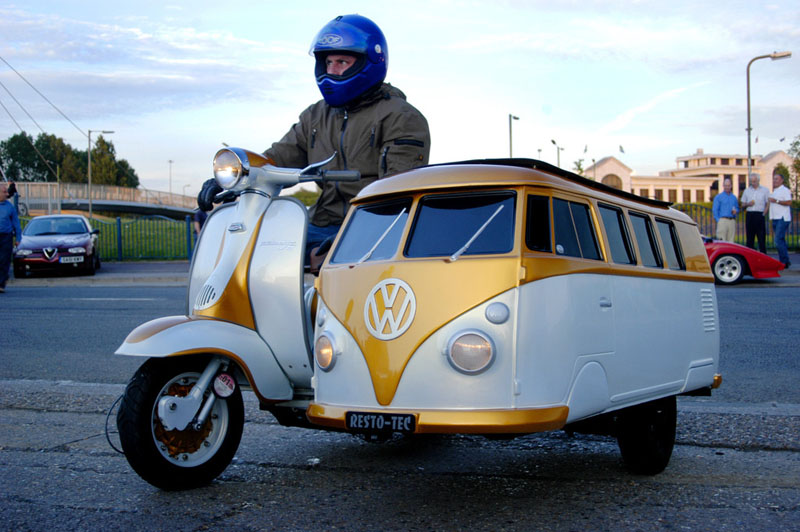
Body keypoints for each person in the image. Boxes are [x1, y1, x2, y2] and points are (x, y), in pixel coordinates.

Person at [264, 14, 430, 265]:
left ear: (369, 61)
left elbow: (398, 192)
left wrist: (351, 238)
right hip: (322, 222)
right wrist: (237, 173)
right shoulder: (315, 115)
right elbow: (278, 157)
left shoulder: (401, 116)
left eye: (342, 61)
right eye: (328, 62)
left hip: (376, 223)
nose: (332, 71)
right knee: (261, 243)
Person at [0, 182, 22, 293]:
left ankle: (1, 284)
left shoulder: (10, 207)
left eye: (6, 191)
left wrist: (18, 238)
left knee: (4, 260)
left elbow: (16, 224)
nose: (6, 193)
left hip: (6, 237)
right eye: (4, 192)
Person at [740, 172, 770, 252]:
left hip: (759, 214)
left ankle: (763, 255)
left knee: (761, 237)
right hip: (750, 214)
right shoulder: (747, 191)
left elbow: (768, 203)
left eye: (754, 181)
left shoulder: (765, 190)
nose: (753, 183)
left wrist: (764, 213)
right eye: (751, 181)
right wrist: (747, 204)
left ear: (758, 180)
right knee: (750, 237)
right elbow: (742, 204)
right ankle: (749, 256)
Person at [768, 169, 792, 269]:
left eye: (777, 179)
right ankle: (785, 260)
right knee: (780, 240)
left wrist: (776, 201)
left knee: (778, 240)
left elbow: (789, 202)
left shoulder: (785, 190)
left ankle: (784, 261)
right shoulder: (774, 191)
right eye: (774, 179)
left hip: (782, 218)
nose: (775, 181)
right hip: (775, 218)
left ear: (782, 180)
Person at [712, 177, 738, 242]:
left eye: (728, 185)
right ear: (723, 186)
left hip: (732, 221)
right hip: (722, 220)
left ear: (731, 186)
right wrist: (719, 220)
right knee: (721, 241)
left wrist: (736, 211)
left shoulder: (734, 198)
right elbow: (715, 210)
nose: (727, 187)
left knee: (731, 241)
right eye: (725, 185)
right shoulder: (718, 197)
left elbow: (737, 208)